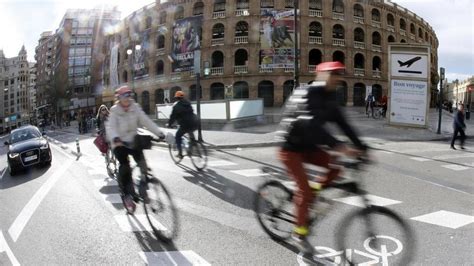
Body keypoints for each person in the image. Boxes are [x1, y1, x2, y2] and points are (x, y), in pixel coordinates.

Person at [278, 61, 368, 256]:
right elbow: (309, 124)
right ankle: (299, 234)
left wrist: (362, 146)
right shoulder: (307, 94)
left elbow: (344, 124)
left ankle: (313, 192)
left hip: (310, 147)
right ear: (321, 75)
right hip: (290, 148)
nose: (337, 78)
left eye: (338, 75)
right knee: (304, 191)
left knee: (336, 168)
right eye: (333, 74)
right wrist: (338, 145)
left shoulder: (330, 99)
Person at [107, 86, 165, 213]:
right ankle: (126, 194)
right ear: (119, 98)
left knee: (143, 163)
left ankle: (143, 186)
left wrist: (159, 132)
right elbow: (111, 127)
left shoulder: (135, 107)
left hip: (133, 140)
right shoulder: (114, 111)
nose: (128, 98)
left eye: (129, 95)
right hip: (119, 143)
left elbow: (146, 121)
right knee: (125, 166)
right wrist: (115, 138)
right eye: (124, 96)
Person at [166, 91, 198, 159]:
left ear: (176, 98)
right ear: (182, 96)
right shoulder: (188, 103)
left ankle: (180, 154)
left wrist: (169, 124)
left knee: (178, 136)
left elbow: (172, 116)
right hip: (194, 123)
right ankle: (192, 144)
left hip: (184, 125)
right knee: (190, 132)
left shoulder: (176, 105)